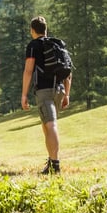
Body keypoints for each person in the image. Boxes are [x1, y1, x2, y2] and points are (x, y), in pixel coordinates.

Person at [20, 15, 70, 174]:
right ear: (45, 30)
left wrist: (24, 95)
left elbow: (28, 70)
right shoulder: (58, 44)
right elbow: (68, 71)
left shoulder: (33, 45)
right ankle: (51, 161)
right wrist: (67, 94)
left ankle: (55, 165)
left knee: (50, 125)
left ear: (32, 30)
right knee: (47, 124)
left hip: (43, 90)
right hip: (59, 89)